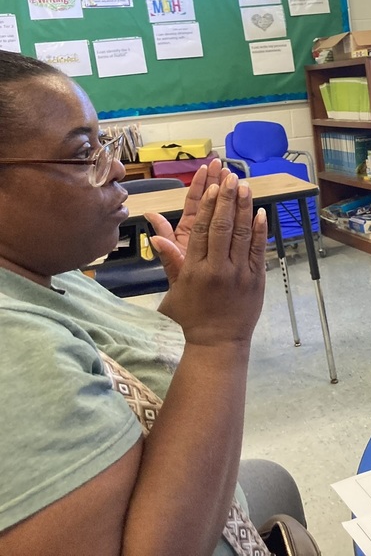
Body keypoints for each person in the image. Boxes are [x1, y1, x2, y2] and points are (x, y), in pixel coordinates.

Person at [0, 51, 304, 554]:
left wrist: (186, 315)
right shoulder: (12, 350)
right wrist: (219, 340)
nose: (116, 167)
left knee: (277, 482)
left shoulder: (48, 268)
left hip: (217, 505)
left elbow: (117, 377)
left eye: (105, 143)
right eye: (83, 155)